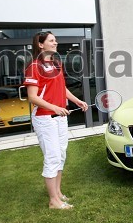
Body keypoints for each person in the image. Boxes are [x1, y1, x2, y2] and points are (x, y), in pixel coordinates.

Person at [24, 31, 88, 209]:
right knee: (52, 157)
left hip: (59, 117)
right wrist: (54, 107)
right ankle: (53, 201)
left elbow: (62, 88)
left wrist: (76, 100)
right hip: (45, 118)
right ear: (40, 44)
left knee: (61, 155)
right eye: (52, 40)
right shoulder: (34, 66)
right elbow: (32, 97)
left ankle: (58, 193)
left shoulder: (56, 63)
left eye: (56, 40)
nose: (56, 43)